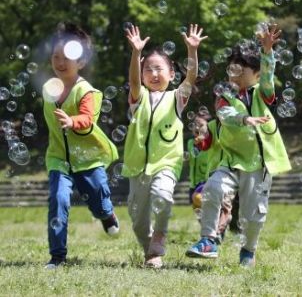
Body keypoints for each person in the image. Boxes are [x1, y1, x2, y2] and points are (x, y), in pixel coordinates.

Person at [186, 25, 291, 267]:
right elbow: (225, 114)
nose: (233, 74)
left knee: (253, 216)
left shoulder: (262, 92)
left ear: (255, 73)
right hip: (231, 159)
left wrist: (267, 51)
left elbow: (268, 74)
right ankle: (208, 240)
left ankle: (248, 250)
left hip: (257, 162)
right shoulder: (225, 97)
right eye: (230, 69)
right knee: (212, 188)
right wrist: (245, 119)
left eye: (239, 69)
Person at [123, 23, 206, 268]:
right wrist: (136, 53)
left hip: (166, 162)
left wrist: (192, 51)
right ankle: (151, 251)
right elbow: (134, 81)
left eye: (160, 69)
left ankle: (159, 234)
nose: (154, 74)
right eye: (148, 69)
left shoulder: (176, 98)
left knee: (162, 195)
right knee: (137, 220)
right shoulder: (137, 98)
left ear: (171, 74)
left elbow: (191, 77)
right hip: (137, 164)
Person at [43, 23, 119, 269]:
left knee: (98, 198)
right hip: (59, 159)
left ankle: (106, 214)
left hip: (87, 159)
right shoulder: (49, 89)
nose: (60, 62)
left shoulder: (89, 92)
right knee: (58, 198)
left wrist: (72, 120)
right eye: (56, 56)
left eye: (67, 57)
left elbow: (88, 119)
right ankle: (57, 256)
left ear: (82, 61)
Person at [188, 110, 235, 243]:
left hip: (224, 175)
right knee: (201, 206)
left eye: (200, 124)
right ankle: (213, 230)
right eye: (195, 124)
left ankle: (217, 233)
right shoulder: (191, 143)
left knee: (223, 205)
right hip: (201, 180)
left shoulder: (222, 131)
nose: (197, 127)